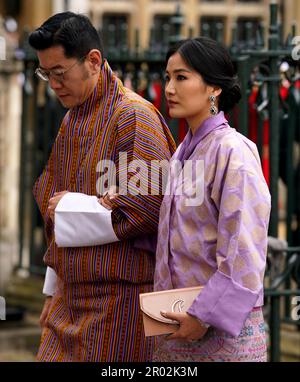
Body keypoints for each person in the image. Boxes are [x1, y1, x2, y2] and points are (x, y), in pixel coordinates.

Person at [28, 12, 176, 362]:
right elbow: (52, 209)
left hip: (119, 306)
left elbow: (147, 207)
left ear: (93, 61)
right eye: (45, 74)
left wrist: (68, 206)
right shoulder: (72, 117)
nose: (53, 84)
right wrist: (50, 292)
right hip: (68, 300)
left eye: (59, 73)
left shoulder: (134, 116)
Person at [152, 37, 271, 362]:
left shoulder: (233, 151)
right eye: (167, 77)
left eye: (182, 77)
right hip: (176, 329)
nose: (170, 89)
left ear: (213, 88)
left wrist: (204, 315)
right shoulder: (181, 154)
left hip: (221, 337)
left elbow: (244, 251)